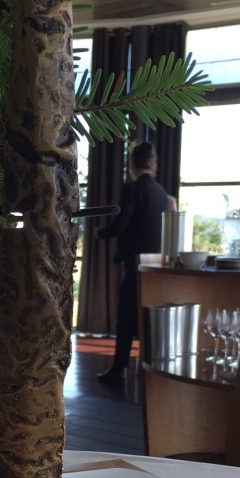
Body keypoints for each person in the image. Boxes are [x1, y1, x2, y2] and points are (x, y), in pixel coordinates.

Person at [95, 141, 172, 384]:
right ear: (154, 165)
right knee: (146, 317)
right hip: (155, 265)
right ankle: (150, 367)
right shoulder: (162, 194)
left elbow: (119, 226)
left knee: (126, 317)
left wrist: (100, 232)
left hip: (135, 261)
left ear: (132, 164)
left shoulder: (132, 189)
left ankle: (118, 369)